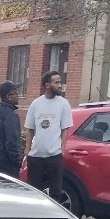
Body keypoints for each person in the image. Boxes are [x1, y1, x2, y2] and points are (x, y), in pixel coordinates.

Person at [23, 70, 74, 200]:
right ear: (47, 85)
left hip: (54, 155)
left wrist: (62, 150)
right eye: (56, 82)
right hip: (36, 156)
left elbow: (65, 129)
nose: (59, 85)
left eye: (60, 82)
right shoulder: (36, 104)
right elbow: (30, 129)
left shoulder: (63, 104)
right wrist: (27, 150)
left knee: (56, 191)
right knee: (34, 191)